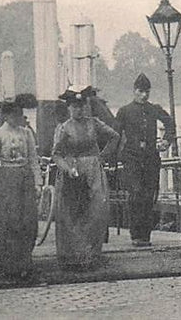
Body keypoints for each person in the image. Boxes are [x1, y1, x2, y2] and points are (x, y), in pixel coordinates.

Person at [52, 86, 120, 269]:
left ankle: (92, 254)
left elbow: (115, 136)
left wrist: (102, 157)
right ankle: (72, 256)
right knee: (71, 213)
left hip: (93, 171)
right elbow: (56, 154)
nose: (78, 110)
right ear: (69, 108)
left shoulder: (94, 123)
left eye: (81, 106)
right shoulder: (64, 128)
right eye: (74, 107)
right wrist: (67, 168)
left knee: (96, 209)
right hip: (72, 172)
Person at [0, 97, 41, 280]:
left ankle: (24, 261)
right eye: (13, 114)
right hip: (5, 181)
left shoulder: (27, 133)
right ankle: (7, 264)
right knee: (7, 223)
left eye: (19, 114)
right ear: (6, 116)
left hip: (25, 180)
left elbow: (33, 160)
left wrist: (37, 183)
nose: (17, 117)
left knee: (27, 222)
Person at [114, 73, 176, 247]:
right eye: (141, 91)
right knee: (135, 195)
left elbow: (170, 123)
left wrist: (166, 140)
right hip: (132, 158)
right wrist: (114, 156)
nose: (144, 95)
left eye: (147, 92)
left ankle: (145, 236)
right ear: (134, 91)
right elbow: (115, 134)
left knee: (149, 196)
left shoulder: (153, 109)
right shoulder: (124, 111)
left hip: (150, 158)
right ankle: (135, 235)